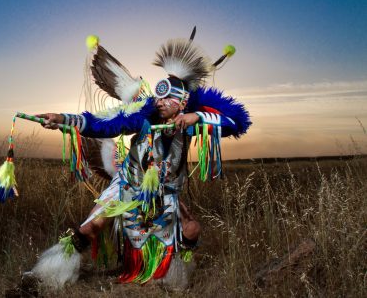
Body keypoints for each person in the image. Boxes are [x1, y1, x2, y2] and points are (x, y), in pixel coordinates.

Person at [22, 34, 251, 289]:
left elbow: (237, 122)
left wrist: (197, 117)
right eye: (159, 98)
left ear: (183, 103)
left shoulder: (188, 124)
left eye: (168, 100)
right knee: (89, 228)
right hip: (128, 186)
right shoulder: (143, 116)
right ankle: (47, 278)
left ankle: (168, 275)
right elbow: (103, 124)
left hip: (164, 193)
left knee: (190, 231)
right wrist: (63, 119)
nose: (161, 103)